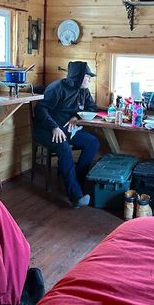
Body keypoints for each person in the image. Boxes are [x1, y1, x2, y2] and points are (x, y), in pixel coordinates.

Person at [33, 61, 100, 208]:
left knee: (93, 142)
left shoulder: (84, 91)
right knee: (64, 148)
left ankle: (77, 180)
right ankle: (75, 196)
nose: (90, 79)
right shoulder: (57, 88)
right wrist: (53, 127)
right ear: (78, 76)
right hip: (46, 128)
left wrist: (76, 116)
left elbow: (91, 107)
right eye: (87, 76)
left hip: (68, 128)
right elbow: (40, 110)